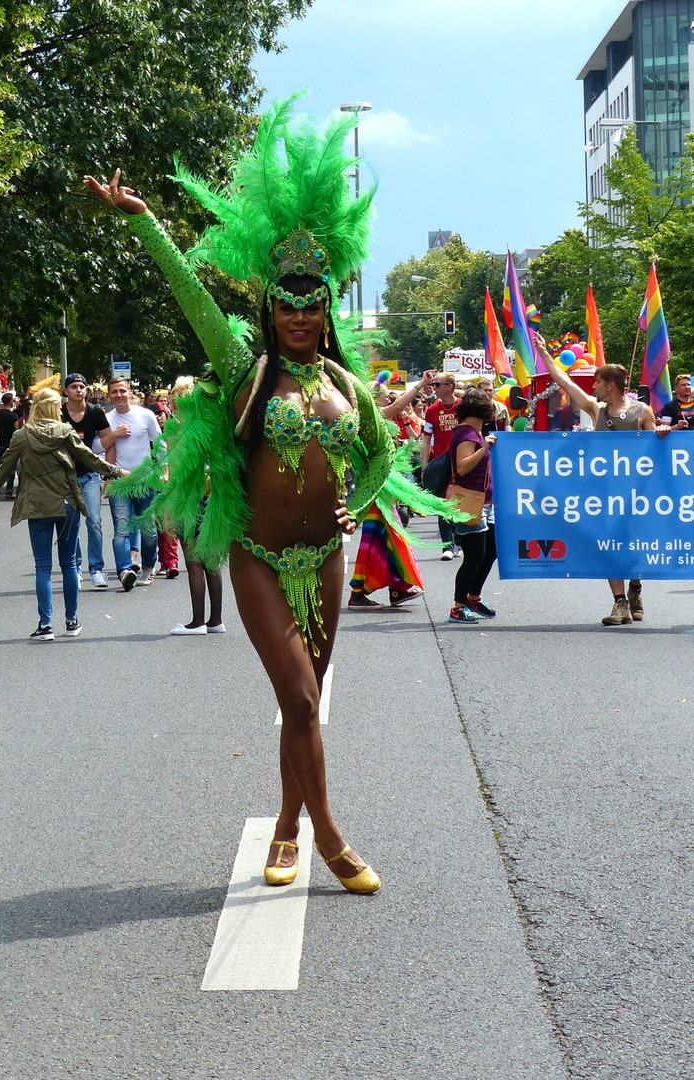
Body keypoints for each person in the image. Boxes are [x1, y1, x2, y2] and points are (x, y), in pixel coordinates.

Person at [85, 99, 460, 893]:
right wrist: (144, 221)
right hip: (256, 556)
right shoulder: (245, 369)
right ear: (270, 311)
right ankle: (329, 837)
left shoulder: (348, 386)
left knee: (306, 708)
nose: (297, 316)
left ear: (326, 309)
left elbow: (379, 452)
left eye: (310, 303)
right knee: (296, 696)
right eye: (284, 305)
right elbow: (191, 296)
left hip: (325, 556)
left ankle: (286, 827)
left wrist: (355, 505)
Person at [0, 388, 126, 640]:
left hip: (37, 506)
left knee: (43, 567)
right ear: (51, 408)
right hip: (67, 503)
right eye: (58, 406)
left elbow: (5, 466)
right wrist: (117, 472)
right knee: (69, 563)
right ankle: (72, 621)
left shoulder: (22, 436)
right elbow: (90, 459)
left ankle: (45, 624)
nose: (61, 410)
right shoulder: (65, 432)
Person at [535, 334, 659, 626]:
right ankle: (620, 604)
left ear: (611, 385)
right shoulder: (596, 409)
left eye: (598, 383)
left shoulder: (643, 413)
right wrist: (544, 353)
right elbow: (565, 382)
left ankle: (636, 586)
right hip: (603, 492)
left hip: (637, 494)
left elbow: (657, 454)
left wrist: (663, 435)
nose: (593, 387)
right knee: (608, 543)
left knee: (634, 544)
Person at [347, 374, 433, 610]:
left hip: (381, 487)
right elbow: (398, 406)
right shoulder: (368, 418)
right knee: (377, 539)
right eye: (386, 398)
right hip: (375, 489)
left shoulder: (371, 419)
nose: (389, 401)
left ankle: (398, 588)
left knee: (388, 539)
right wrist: (421, 385)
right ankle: (358, 592)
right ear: (373, 401)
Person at [166, 376, 224, 635]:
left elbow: (176, 472)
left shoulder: (179, 428)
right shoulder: (210, 426)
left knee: (193, 563)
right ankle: (215, 620)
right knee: (211, 561)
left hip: (189, 499)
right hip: (212, 498)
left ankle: (197, 621)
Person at [60, 371, 123, 588]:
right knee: (70, 524)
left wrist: (108, 475)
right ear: (65, 391)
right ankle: (74, 568)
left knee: (94, 521)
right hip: (65, 477)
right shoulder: (59, 413)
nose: (79, 390)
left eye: (82, 387)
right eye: (74, 387)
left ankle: (96, 569)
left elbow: (108, 441)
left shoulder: (95, 412)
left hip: (89, 474)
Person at [104, 376, 163, 589]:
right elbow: (97, 447)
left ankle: (148, 566)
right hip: (119, 481)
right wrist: (114, 434)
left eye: (122, 391)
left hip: (145, 480)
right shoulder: (107, 418)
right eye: (114, 392)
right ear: (108, 395)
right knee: (121, 528)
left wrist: (162, 469)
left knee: (148, 528)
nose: (119, 395)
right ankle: (125, 570)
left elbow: (160, 443)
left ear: (129, 392)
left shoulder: (145, 415)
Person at [447, 387, 498, 624]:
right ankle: (458, 606)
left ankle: (473, 597)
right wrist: (485, 448)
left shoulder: (471, 432)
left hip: (482, 502)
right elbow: (463, 466)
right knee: (474, 556)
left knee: (490, 552)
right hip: (469, 502)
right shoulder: (468, 434)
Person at [420, 372, 461, 560]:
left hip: (461, 462)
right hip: (441, 463)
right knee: (442, 503)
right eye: (434, 385)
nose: (434, 388)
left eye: (438, 385)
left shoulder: (462, 406)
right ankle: (448, 546)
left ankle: (459, 542)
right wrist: (425, 465)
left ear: (449, 387)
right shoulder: (432, 410)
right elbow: (426, 438)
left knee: (460, 502)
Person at [0, 392, 21, 499]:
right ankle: (9, 491)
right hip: (11, 443)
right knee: (11, 469)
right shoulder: (14, 416)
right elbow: (17, 430)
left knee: (0, 468)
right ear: (11, 402)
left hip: (1, 444)